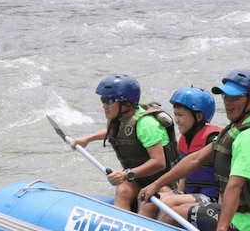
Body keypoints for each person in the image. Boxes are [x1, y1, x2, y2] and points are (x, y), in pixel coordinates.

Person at [139, 69, 250, 231]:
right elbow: (195, 159)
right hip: (236, 214)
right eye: (225, 96)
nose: (227, 102)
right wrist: (156, 184)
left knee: (174, 214)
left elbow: (235, 186)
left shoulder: (249, 139)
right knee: (174, 210)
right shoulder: (234, 130)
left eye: (234, 97)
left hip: (249, 225)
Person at [69, 73, 179, 212]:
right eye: (103, 100)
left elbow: (158, 162)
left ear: (126, 104)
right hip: (137, 177)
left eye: (109, 101)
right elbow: (117, 133)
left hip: (161, 182)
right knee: (123, 191)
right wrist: (87, 139)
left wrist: (126, 174)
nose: (104, 105)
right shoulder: (121, 118)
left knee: (148, 200)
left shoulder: (146, 125)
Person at [153, 86, 223, 224]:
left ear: (198, 116)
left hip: (211, 198)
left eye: (181, 115)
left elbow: (226, 178)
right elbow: (184, 175)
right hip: (191, 194)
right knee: (151, 200)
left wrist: (221, 209)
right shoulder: (185, 140)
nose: (177, 120)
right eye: (175, 114)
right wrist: (179, 193)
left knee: (169, 201)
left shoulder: (213, 140)